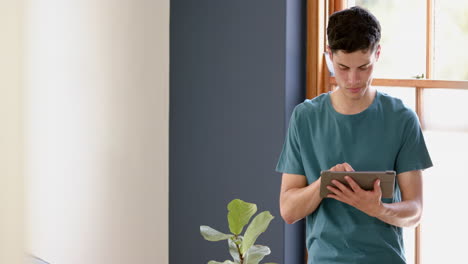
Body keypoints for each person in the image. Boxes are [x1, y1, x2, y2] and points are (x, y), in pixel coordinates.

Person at [275, 6, 432, 264]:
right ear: (329, 56)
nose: (352, 79)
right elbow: (289, 210)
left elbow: (415, 211)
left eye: (364, 67)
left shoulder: (401, 118)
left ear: (377, 53)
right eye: (343, 67)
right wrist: (325, 184)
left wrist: (378, 208)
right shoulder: (305, 118)